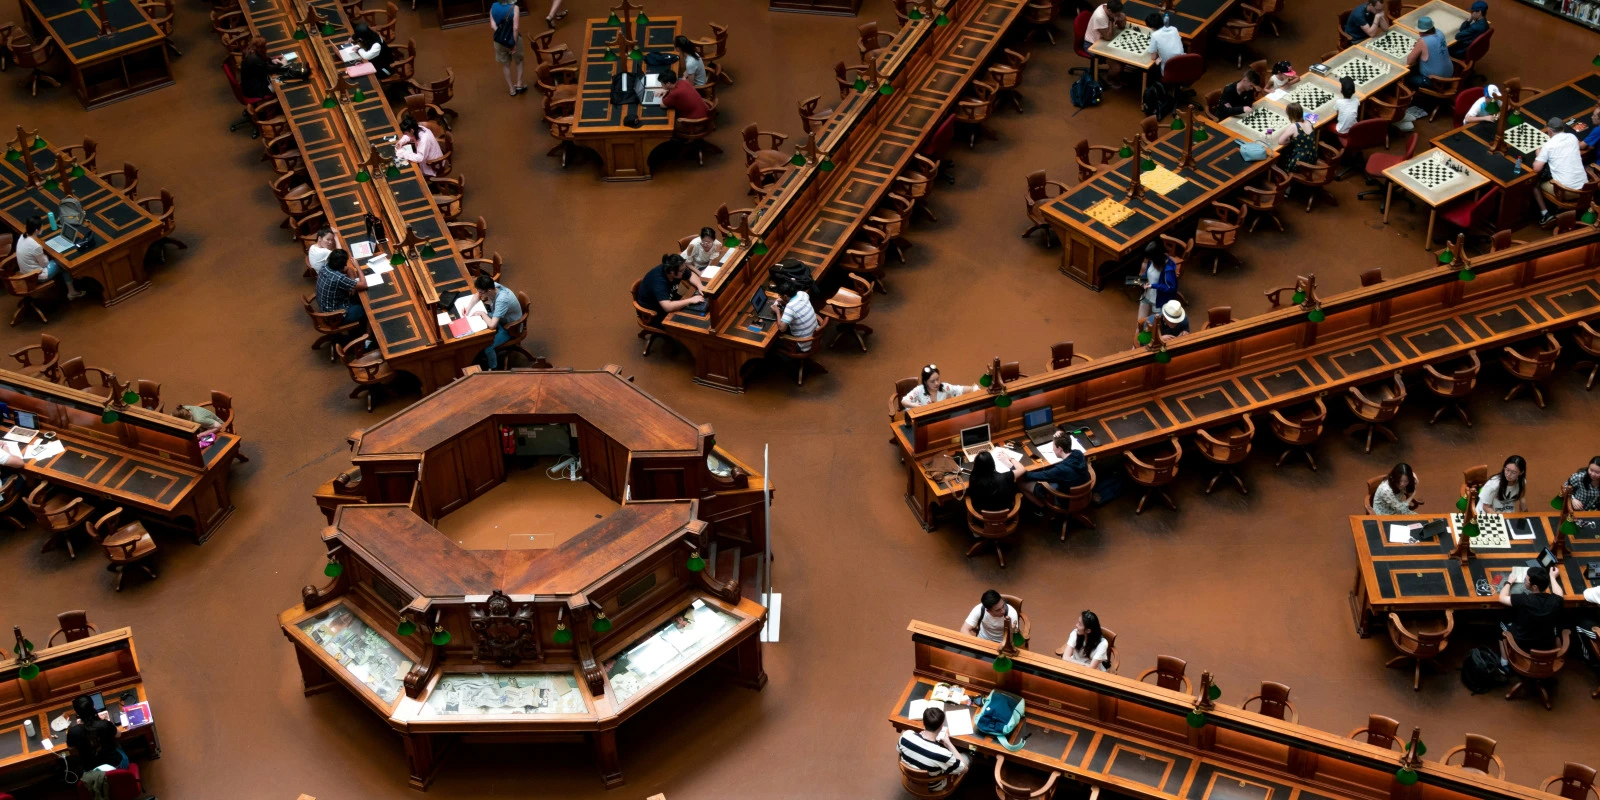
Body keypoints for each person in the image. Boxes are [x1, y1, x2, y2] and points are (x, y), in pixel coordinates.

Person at [16, 216, 86, 300]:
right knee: (62, 264)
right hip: (36, 276)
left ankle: (68, 287)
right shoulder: (36, 247)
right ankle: (72, 292)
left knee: (56, 263)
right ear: (36, 230)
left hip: (25, 271)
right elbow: (44, 263)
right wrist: (45, 256)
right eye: (41, 226)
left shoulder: (22, 237)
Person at [1497, 564, 1563, 653]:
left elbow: (1502, 598)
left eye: (1526, 580)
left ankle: (1504, 662)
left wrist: (1509, 582)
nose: (1525, 581)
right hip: (1546, 644)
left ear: (1534, 586)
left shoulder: (1523, 600)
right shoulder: (1555, 601)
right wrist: (1552, 577)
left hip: (1522, 645)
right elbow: (1559, 593)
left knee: (1501, 621)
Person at [1531, 118, 1586, 224]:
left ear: (1550, 130)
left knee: (1534, 184)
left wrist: (1538, 155)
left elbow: (1536, 168)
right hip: (1584, 189)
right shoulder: (1572, 137)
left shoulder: (1548, 145)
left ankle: (1545, 214)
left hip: (1566, 191)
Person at [897, 707, 968, 788]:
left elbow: (899, 751)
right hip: (933, 786)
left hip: (910, 778)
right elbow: (965, 769)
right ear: (941, 726)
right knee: (966, 757)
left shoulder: (906, 735)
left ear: (923, 722)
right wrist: (949, 744)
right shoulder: (943, 754)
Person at [1018, 431, 1091, 507]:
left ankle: (1042, 508)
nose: (1053, 449)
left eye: (1053, 446)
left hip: (1065, 500)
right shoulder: (1078, 453)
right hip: (1082, 494)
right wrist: (1063, 436)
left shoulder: (1061, 469)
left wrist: (1020, 470)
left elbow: (1037, 476)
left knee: (1021, 483)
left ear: (1059, 449)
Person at [470, 274, 522, 370]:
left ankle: (493, 368)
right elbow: (478, 294)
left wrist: (482, 313)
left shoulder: (502, 300)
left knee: (487, 347)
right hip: (499, 319)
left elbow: (492, 325)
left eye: (482, 292)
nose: (479, 294)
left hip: (509, 327)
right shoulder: (492, 286)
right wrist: (468, 309)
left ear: (488, 291)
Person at [65, 695, 126, 772]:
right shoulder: (105, 724)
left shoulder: (73, 732)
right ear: (93, 707)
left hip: (92, 772)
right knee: (118, 747)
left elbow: (70, 747)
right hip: (115, 766)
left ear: (77, 713)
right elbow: (118, 735)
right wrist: (100, 720)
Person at [634, 255, 702, 322]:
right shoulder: (659, 282)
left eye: (684, 269)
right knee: (689, 322)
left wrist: (700, 286)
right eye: (682, 270)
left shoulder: (676, 269)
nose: (684, 272)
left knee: (696, 309)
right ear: (671, 272)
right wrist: (690, 300)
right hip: (654, 311)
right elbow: (667, 307)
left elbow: (691, 275)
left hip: (669, 298)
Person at [315, 248, 368, 323]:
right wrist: (357, 266)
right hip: (335, 316)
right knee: (367, 307)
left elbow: (348, 269)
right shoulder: (338, 278)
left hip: (326, 308)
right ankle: (368, 333)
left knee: (357, 296)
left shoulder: (325, 266)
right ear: (343, 265)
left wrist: (353, 285)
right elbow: (364, 285)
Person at [1084, 0, 1128, 87]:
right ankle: (1107, 79)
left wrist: (1121, 16)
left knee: (1124, 58)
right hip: (1092, 44)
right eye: (1116, 14)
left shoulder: (1109, 8)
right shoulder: (1100, 16)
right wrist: (1111, 20)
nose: (1118, 15)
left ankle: (1115, 76)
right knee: (1117, 68)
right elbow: (1108, 37)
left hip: (1103, 41)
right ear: (1110, 11)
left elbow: (1122, 26)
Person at [1135, 239, 1178, 322]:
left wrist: (1153, 285)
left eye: (1150, 258)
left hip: (1158, 301)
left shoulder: (1168, 270)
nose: (1149, 260)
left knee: (1154, 325)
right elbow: (1147, 273)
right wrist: (1142, 281)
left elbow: (1171, 288)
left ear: (1156, 257)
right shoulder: (1151, 261)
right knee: (1140, 323)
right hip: (1146, 295)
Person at [489, 0, 526, 96]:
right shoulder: (515, 8)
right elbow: (515, 28)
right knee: (519, 61)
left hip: (499, 42)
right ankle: (519, 83)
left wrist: (502, 36)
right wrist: (512, 43)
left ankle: (511, 89)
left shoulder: (493, 7)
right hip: (514, 40)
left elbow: (493, 25)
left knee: (505, 64)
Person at [1403, 17, 1451, 90]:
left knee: (1405, 77)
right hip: (1449, 74)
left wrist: (1418, 46)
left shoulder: (1423, 41)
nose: (1419, 33)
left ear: (1422, 31)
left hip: (1434, 81)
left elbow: (1409, 61)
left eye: (1419, 31)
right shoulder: (1440, 33)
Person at [901, 364, 980, 408]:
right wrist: (915, 405)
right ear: (925, 382)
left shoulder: (944, 387)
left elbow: (959, 389)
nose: (936, 383)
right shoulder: (919, 390)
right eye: (932, 381)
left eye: (938, 379)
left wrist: (973, 388)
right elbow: (904, 401)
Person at [239, 36, 287, 101]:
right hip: (255, 89)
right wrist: (282, 64)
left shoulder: (250, 51)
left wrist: (271, 60)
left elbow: (262, 60)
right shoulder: (254, 59)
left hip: (249, 84)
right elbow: (269, 70)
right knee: (282, 85)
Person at [679, 226, 725, 292]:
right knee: (706, 285)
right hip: (696, 266)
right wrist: (699, 272)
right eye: (703, 241)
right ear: (701, 238)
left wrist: (707, 268)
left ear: (713, 240)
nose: (705, 244)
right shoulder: (693, 245)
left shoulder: (717, 244)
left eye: (709, 242)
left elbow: (713, 258)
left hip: (708, 264)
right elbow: (687, 263)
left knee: (720, 276)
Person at [774, 280, 817, 350]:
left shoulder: (790, 307)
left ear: (785, 296)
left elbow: (782, 328)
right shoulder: (803, 294)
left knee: (774, 342)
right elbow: (798, 304)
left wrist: (777, 312)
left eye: (780, 296)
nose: (780, 297)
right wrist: (784, 301)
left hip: (803, 344)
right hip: (813, 335)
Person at [1275, 102, 1319, 168]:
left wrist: (1291, 141)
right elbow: (1315, 117)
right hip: (1312, 156)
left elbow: (1280, 141)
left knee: (1282, 156)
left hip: (1300, 162)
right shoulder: (1308, 121)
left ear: (1290, 115)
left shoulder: (1293, 126)